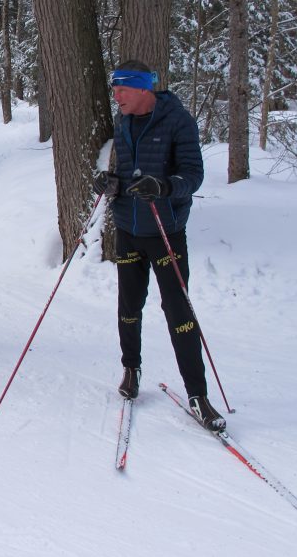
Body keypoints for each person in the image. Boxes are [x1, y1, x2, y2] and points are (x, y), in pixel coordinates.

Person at [93, 60, 224, 430]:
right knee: (128, 306)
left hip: (165, 229)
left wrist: (164, 186)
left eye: (121, 88)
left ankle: (198, 394)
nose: (115, 95)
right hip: (127, 226)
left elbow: (193, 175)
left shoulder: (178, 121)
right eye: (114, 88)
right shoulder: (123, 121)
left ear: (143, 89)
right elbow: (124, 172)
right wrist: (110, 183)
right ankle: (131, 370)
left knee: (178, 312)